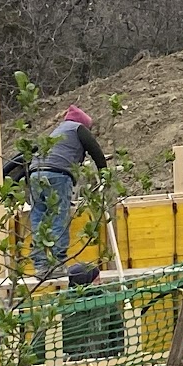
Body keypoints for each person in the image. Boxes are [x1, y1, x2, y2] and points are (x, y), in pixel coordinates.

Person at [27, 105, 107, 278]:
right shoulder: (78, 128)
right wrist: (104, 173)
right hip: (58, 175)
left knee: (39, 219)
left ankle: (40, 266)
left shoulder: (56, 132)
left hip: (35, 174)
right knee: (58, 218)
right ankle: (57, 265)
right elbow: (96, 151)